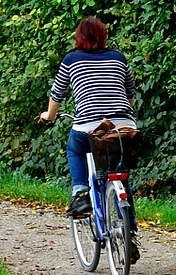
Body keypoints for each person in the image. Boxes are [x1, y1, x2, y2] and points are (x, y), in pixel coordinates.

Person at [39, 16, 139, 230]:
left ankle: (81, 193)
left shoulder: (71, 60)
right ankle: (129, 231)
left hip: (88, 125)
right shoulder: (118, 58)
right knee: (119, 173)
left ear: (79, 38)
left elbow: (58, 94)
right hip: (122, 125)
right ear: (103, 36)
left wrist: (49, 115)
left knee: (74, 149)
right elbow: (130, 93)